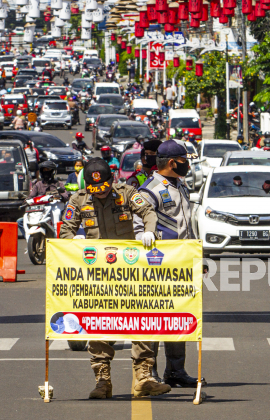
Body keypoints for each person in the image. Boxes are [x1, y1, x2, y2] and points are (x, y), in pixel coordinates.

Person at [59, 159, 169, 399]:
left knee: (140, 319)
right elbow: (66, 229)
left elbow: (147, 211)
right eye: (94, 190)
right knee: (99, 323)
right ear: (87, 186)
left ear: (111, 180)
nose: (100, 194)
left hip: (128, 270)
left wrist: (149, 230)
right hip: (97, 274)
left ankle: (144, 377)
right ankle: (102, 381)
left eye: (105, 187)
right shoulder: (77, 200)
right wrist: (72, 242)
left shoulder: (126, 193)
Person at [132, 140, 199, 388]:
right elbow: (137, 229)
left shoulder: (180, 186)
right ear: (172, 163)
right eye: (185, 160)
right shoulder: (149, 191)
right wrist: (144, 237)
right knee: (154, 319)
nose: (188, 165)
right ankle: (151, 372)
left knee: (178, 317)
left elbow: (185, 227)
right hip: (156, 268)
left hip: (180, 266)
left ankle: (176, 370)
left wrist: (196, 260)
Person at [17, 160, 67, 237]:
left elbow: (66, 195)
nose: (46, 172)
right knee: (20, 221)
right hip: (40, 211)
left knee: (60, 217)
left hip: (55, 209)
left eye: (48, 170)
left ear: (53, 171)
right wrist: (26, 201)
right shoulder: (38, 184)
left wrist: (61, 195)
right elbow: (31, 196)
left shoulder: (58, 183)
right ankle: (30, 242)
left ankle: (57, 239)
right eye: (44, 170)